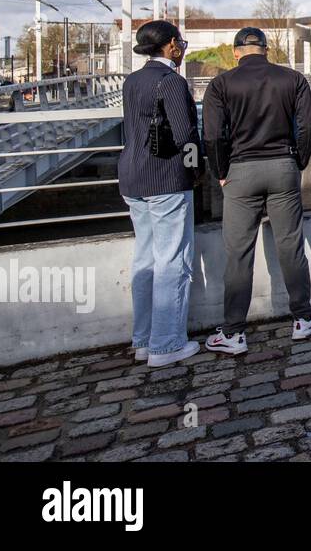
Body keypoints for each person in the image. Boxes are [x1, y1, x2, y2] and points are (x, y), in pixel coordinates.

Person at [201, 27, 311, 354]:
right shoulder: (292, 79)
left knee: (238, 252)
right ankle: (302, 317)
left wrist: (221, 172)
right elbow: (309, 127)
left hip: (240, 171)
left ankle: (234, 332)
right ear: (266, 50)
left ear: (236, 52)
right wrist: (297, 159)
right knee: (290, 244)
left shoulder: (220, 85)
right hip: (283, 167)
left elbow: (211, 137)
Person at [118, 20, 202, 368]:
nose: (181, 47)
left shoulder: (131, 81)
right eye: (179, 42)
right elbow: (185, 135)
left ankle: (143, 339)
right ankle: (166, 345)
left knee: (145, 258)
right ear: (171, 46)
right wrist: (195, 171)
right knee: (172, 260)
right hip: (165, 179)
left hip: (132, 178)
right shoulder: (171, 81)